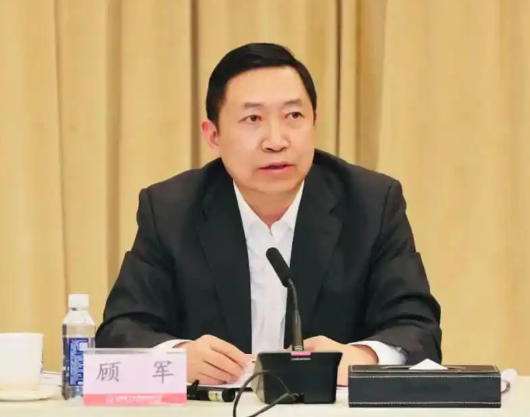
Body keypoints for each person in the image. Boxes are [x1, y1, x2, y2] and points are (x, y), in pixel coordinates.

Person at [96, 43, 441, 386]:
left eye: (294, 116)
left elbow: (417, 329)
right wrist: (177, 358)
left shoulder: (371, 204)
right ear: (213, 136)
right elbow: (120, 331)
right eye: (253, 119)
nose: (276, 141)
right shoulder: (171, 209)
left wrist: (361, 359)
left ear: (315, 122)